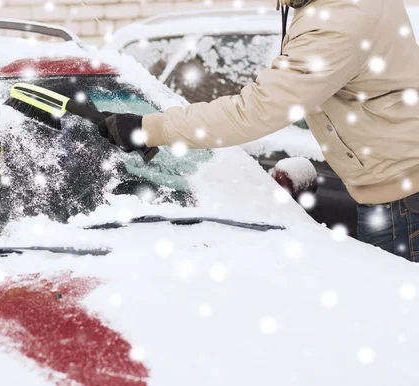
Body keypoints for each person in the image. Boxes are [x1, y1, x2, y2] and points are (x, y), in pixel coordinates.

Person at [98, 0, 419, 261]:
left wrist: (149, 127)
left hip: (399, 205)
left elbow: (257, 110)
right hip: (398, 189)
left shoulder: (337, 21)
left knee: (399, 326)